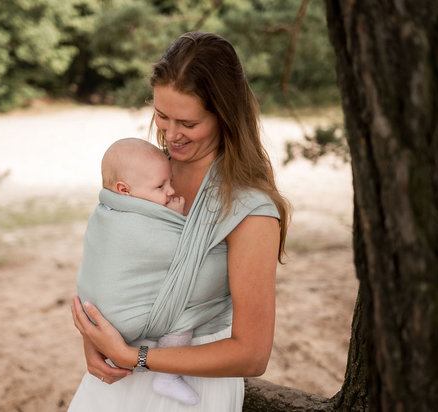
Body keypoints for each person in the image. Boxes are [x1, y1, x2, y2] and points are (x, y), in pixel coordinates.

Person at [69, 31, 290, 411]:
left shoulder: (249, 209)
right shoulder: (144, 175)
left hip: (193, 391)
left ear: (224, 115)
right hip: (113, 384)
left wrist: (134, 356)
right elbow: (113, 266)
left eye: (188, 123)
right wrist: (96, 337)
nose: (171, 135)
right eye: (161, 115)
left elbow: (253, 354)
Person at [76, 137, 200, 405]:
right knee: (185, 311)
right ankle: (168, 377)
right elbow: (183, 256)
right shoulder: (139, 221)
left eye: (170, 182)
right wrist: (176, 220)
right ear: (124, 190)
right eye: (160, 186)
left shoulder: (107, 211)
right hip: (122, 322)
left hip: (96, 316)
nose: (170, 191)